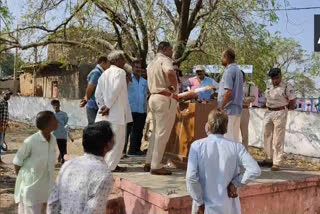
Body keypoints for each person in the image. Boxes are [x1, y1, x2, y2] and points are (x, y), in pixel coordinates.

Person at [186, 110, 261, 214]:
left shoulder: (197, 146)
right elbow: (254, 170)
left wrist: (199, 202)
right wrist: (235, 183)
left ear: (208, 125)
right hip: (228, 208)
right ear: (225, 127)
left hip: (205, 208)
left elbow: (191, 178)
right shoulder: (236, 147)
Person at [47, 121, 115, 214]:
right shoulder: (104, 174)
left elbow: (53, 202)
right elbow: (94, 210)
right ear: (107, 145)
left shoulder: (68, 165)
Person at [13, 111, 58, 214]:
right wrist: (24, 180)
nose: (57, 121)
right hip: (32, 190)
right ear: (47, 124)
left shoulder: (53, 139)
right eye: (54, 119)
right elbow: (17, 162)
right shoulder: (31, 142)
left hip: (47, 188)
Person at [95, 50, 132, 172]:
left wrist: (102, 107)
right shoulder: (120, 72)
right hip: (116, 113)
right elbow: (115, 90)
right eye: (123, 59)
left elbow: (97, 94)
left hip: (105, 113)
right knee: (117, 140)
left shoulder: (104, 74)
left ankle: (109, 164)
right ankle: (110, 166)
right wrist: (108, 106)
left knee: (106, 140)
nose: (124, 62)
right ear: (117, 60)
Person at [144, 41, 178, 175]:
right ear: (164, 49)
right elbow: (170, 72)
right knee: (162, 133)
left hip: (153, 97)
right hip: (164, 98)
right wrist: (174, 87)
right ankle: (156, 165)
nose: (171, 52)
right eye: (170, 49)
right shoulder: (165, 60)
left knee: (155, 132)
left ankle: (149, 161)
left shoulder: (151, 63)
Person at [261, 68, 296, 171]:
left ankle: (277, 162)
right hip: (268, 111)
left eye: (276, 78)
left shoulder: (286, 86)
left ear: (280, 76)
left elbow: (292, 100)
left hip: (280, 112)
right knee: (267, 136)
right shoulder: (269, 85)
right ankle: (268, 158)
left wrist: (286, 109)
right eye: (272, 78)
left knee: (278, 138)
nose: (274, 80)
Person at [217, 48, 243, 142]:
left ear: (226, 58)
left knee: (227, 138)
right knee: (235, 138)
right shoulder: (239, 71)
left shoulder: (229, 71)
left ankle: (229, 157)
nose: (221, 59)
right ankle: (234, 157)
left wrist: (221, 107)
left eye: (222, 57)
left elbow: (228, 92)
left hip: (228, 109)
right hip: (237, 109)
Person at [124, 60, 148, 156]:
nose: (138, 69)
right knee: (127, 131)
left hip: (141, 110)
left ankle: (135, 150)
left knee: (138, 131)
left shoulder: (144, 81)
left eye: (139, 67)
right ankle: (123, 151)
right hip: (130, 109)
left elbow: (146, 93)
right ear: (132, 68)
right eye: (136, 67)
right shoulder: (128, 79)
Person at [80, 56, 110, 125]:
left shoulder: (101, 73)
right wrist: (86, 99)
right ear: (103, 62)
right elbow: (91, 86)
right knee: (93, 127)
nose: (109, 66)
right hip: (93, 104)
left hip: (97, 104)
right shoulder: (96, 73)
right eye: (108, 63)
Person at [240, 71, 256, 149]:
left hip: (244, 110)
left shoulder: (249, 86)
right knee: (233, 132)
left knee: (244, 133)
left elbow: (253, 98)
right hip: (234, 110)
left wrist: (242, 99)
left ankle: (244, 151)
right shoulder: (233, 85)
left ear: (244, 77)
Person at [51, 99, 69, 164]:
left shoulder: (63, 114)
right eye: (54, 106)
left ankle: (64, 161)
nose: (55, 107)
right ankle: (61, 159)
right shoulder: (52, 115)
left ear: (59, 106)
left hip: (61, 134)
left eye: (56, 105)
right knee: (61, 148)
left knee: (63, 148)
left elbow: (66, 123)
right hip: (56, 133)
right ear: (52, 107)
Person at [0, 90, 12, 164]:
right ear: (3, 94)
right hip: (0, 125)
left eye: (9, 95)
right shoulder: (1, 103)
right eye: (7, 94)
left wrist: (6, 123)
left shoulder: (6, 103)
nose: (9, 96)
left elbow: (4, 114)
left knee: (1, 142)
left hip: (3, 126)